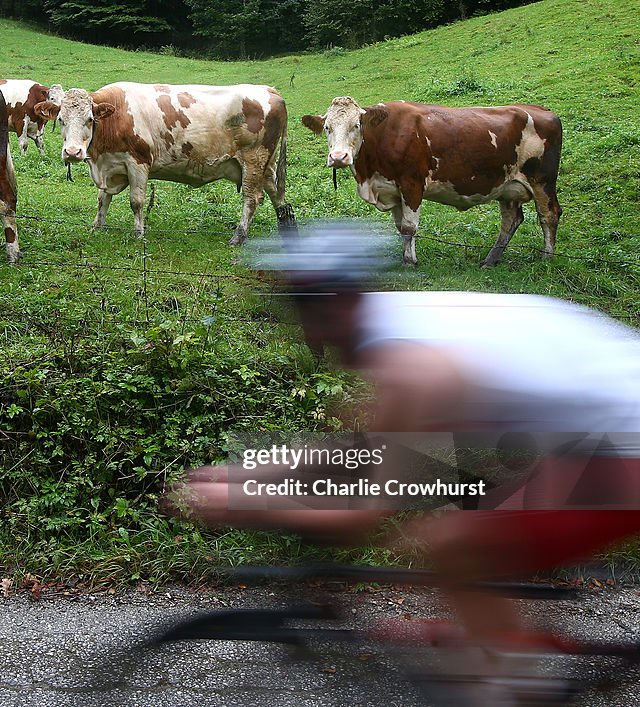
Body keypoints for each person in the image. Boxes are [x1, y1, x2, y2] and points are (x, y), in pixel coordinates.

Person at [172, 220, 640, 700]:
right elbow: (361, 448)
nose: (305, 330)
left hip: (625, 445)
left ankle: (516, 687)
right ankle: (509, 660)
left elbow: (363, 516)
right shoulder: (395, 330)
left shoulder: (411, 370)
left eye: (307, 311)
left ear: (343, 304)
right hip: (589, 431)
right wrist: (247, 473)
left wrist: (247, 501)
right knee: (461, 524)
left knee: (454, 544)